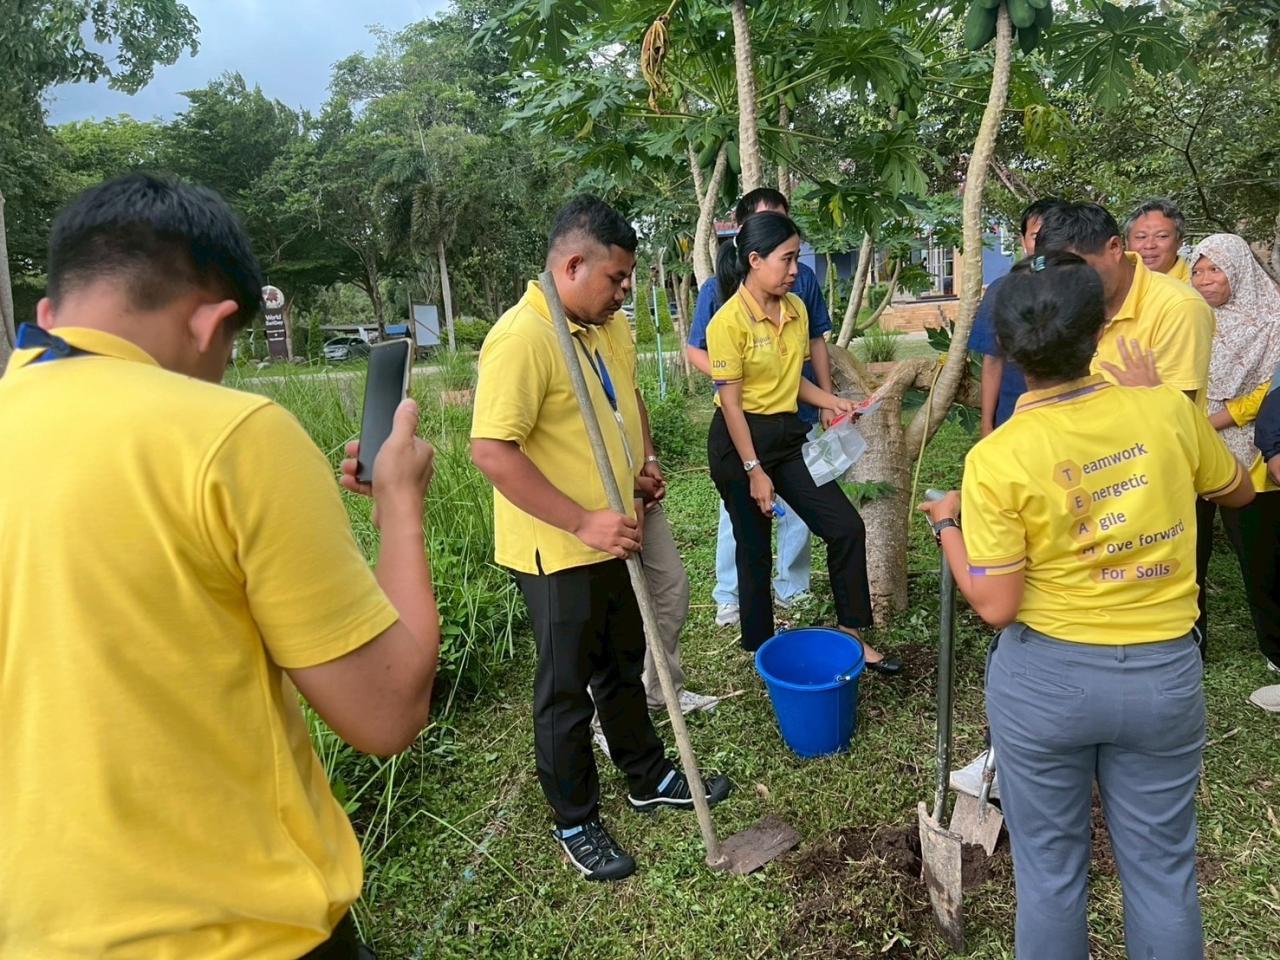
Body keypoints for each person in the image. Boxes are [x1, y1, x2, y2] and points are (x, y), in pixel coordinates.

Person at [0, 173, 441, 958]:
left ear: (47, 314)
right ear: (214, 323)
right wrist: (399, 503)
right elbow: (386, 711)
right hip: (238, 929)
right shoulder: (231, 436)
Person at [919, 253, 1253, 960]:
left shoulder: (996, 459)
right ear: (1100, 330)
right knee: (1164, 874)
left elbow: (996, 604)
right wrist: (1155, 404)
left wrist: (948, 526)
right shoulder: (1165, 408)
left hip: (1047, 685)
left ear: (1007, 351)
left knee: (1049, 876)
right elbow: (1240, 491)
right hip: (1163, 677)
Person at [470, 195, 730, 884]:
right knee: (565, 690)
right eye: (615, 278)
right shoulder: (522, 338)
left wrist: (642, 464)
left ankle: (644, 773)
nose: (624, 291)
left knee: (622, 661)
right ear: (572, 264)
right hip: (557, 551)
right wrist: (582, 519)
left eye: (628, 279)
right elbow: (492, 451)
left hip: (617, 531)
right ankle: (576, 818)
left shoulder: (603, 323)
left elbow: (626, 398)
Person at [706, 211, 900, 673]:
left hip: (787, 438)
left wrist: (833, 402)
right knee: (753, 550)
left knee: (845, 527)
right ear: (755, 260)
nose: (796, 269)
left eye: (796, 258)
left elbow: (792, 383)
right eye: (787, 259)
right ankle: (762, 651)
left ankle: (852, 636)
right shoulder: (727, 323)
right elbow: (732, 407)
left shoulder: (794, 310)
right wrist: (755, 472)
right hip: (739, 446)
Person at [686, 187, 834, 625]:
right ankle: (731, 595)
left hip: (793, 415)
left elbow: (814, 341)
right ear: (749, 245)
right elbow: (696, 349)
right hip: (745, 424)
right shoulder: (719, 291)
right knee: (744, 516)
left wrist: (827, 398)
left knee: (799, 511)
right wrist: (735, 374)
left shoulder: (801, 284)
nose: (787, 262)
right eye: (773, 241)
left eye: (790, 246)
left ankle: (793, 589)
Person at [1190, 234, 1280, 656]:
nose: (1204, 279)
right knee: (1189, 554)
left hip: (1251, 453)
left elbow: (1271, 390)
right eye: (1197, 270)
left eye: (1215, 269)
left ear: (1239, 270)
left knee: (1261, 560)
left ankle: (1274, 649)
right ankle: (1192, 644)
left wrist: (1216, 420)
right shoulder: (1190, 319)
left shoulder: (1271, 319)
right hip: (1191, 449)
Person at [1035, 201, 1214, 406]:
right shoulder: (1067, 300)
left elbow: (1178, 415)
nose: (1071, 284)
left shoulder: (1179, 307)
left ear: (1115, 247)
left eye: (1079, 271)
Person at [972, 197, 1062, 435]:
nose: (1044, 243)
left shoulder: (1082, 289)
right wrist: (986, 424)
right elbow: (992, 362)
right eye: (1035, 236)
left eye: (1053, 234)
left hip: (1072, 416)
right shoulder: (1001, 291)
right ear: (1023, 240)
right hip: (1014, 417)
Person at [1125, 197, 1192, 283]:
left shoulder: (1197, 286)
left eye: (1161, 236)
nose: (1149, 245)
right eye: (1141, 237)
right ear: (1126, 242)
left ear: (1179, 241)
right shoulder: (1113, 282)